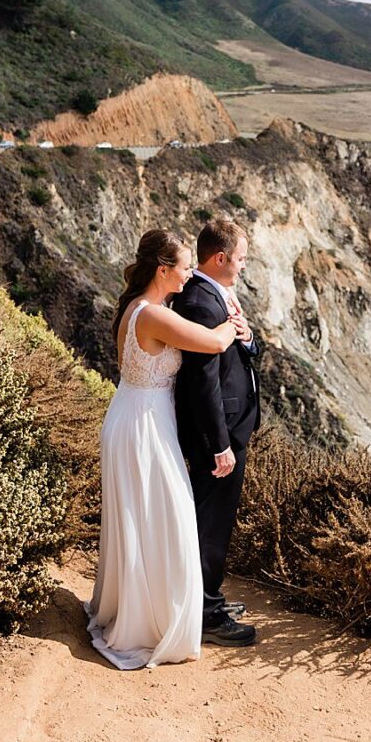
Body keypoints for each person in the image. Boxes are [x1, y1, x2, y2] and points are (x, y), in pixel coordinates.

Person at [86, 229, 249, 670]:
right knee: (165, 517)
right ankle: (154, 622)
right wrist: (233, 326)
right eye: (182, 268)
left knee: (144, 518)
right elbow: (212, 343)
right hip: (145, 425)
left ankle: (145, 609)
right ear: (163, 270)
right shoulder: (152, 315)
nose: (189, 274)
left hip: (134, 415)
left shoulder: (139, 306)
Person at [172, 218, 262, 647]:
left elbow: (242, 353)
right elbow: (201, 382)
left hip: (231, 426)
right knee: (209, 523)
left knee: (217, 521)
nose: (244, 265)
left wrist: (247, 339)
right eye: (241, 258)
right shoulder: (200, 303)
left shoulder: (216, 294)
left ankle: (208, 596)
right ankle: (205, 613)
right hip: (218, 434)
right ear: (220, 257)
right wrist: (220, 443)